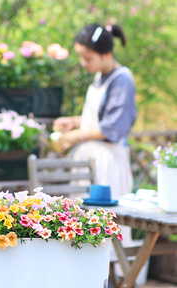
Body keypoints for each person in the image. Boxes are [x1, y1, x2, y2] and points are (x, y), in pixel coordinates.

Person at [53, 23, 136, 198]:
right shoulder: (100, 77)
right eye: (81, 57)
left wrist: (76, 135)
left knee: (106, 221)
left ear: (106, 55)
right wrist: (75, 122)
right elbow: (100, 117)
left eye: (88, 58)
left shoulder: (122, 80)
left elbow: (113, 126)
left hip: (108, 162)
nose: (83, 63)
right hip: (89, 159)